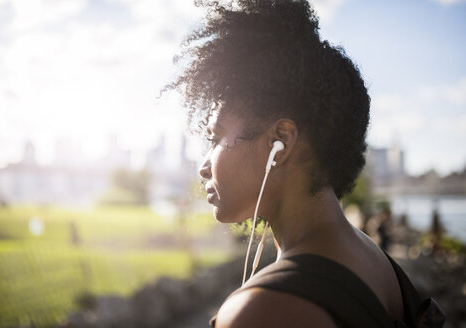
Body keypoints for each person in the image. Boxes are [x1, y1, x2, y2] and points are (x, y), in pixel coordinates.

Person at [167, 0, 444, 327]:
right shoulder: (377, 263)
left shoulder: (264, 312)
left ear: (279, 142)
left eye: (215, 138)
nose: (204, 165)